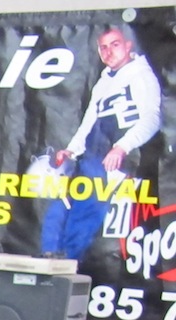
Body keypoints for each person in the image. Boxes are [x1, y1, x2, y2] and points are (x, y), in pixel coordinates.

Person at [40, 26, 162, 260]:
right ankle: (49, 257)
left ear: (128, 46)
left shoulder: (141, 75)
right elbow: (89, 122)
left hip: (115, 161)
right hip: (90, 157)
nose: (108, 52)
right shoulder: (104, 81)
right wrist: (71, 150)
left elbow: (152, 118)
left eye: (115, 45)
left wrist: (122, 147)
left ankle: (68, 262)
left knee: (86, 213)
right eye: (103, 47)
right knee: (60, 203)